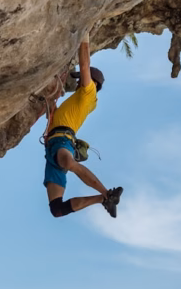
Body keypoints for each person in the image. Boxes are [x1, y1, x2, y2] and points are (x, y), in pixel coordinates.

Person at [43, 34, 122, 218]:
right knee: (57, 209)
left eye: (80, 79)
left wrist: (84, 36)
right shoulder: (80, 100)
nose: (77, 82)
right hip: (53, 147)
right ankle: (103, 199)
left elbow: (84, 64)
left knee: (69, 163)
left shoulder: (89, 93)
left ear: (92, 82)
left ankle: (107, 193)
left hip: (62, 140)